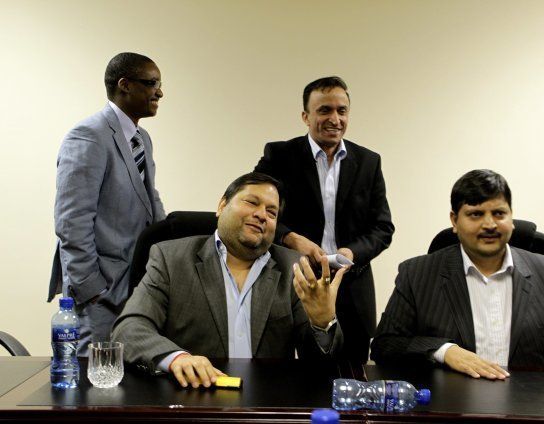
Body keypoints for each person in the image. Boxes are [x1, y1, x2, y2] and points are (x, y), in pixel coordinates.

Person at [371, 169, 544, 380]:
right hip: (450, 413)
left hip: (531, 414)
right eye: (475, 214)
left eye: (498, 213)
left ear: (511, 218)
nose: (489, 224)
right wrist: (444, 351)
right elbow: (385, 346)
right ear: (454, 220)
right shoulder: (418, 274)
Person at [112, 172, 346, 388]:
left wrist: (322, 322)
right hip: (194, 399)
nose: (261, 215)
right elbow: (129, 329)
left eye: (272, 212)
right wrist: (177, 358)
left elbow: (320, 366)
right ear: (222, 205)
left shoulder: (293, 267)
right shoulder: (171, 258)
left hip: (267, 406)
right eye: (252, 202)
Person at [254, 76, 394, 362]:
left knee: (353, 377)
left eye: (341, 111)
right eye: (324, 110)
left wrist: (351, 252)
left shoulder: (369, 161)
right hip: (294, 282)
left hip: (351, 286)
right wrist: (291, 238)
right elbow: (255, 210)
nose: (334, 119)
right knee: (296, 379)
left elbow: (382, 228)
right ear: (306, 116)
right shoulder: (280, 155)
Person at [49, 52, 166, 355]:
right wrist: (91, 289)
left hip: (133, 284)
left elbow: (149, 201)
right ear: (125, 85)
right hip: (99, 294)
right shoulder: (88, 135)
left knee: (124, 384)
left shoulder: (142, 138)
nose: (160, 92)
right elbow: (72, 221)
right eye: (151, 83)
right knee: (93, 388)